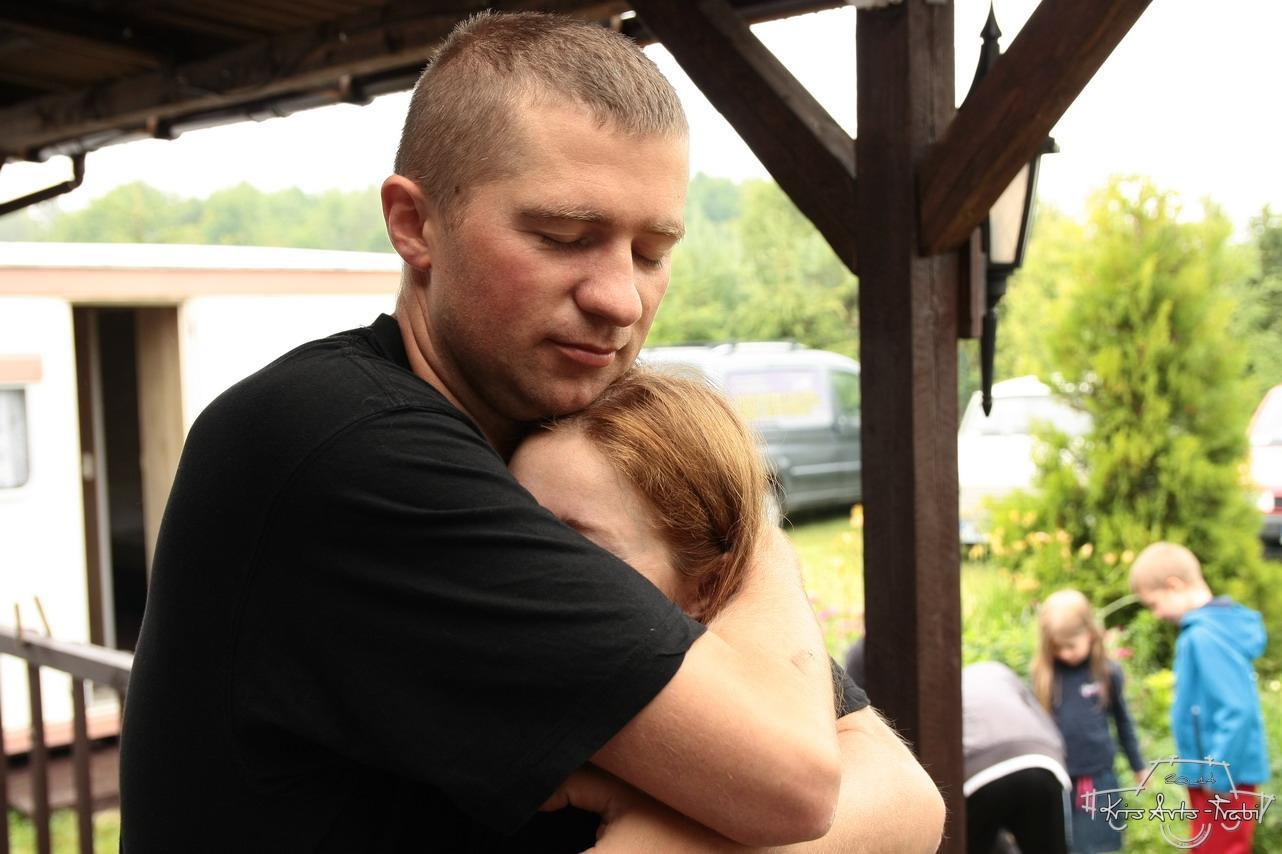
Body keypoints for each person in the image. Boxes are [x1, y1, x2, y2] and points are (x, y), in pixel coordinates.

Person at [117, 11, 902, 851]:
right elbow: (796, 782)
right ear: (414, 224)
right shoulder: (345, 444)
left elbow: (901, 794)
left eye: (651, 252)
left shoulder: (566, 443)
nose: (621, 300)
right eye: (564, 237)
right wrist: (749, 524)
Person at [509, 367, 944, 851]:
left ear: (706, 589)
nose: (523, 570)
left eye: (578, 548)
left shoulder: (725, 662)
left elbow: (909, 798)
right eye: (511, 531)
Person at [847, 641, 1068, 854]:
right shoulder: (995, 673)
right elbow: (1044, 720)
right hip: (1042, 761)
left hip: (980, 775)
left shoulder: (944, 698)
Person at [1130, 542, 1270, 854]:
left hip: (1224, 776)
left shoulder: (1205, 637)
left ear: (1174, 586)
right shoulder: (1207, 632)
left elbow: (1237, 710)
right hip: (1214, 774)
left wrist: (1217, 775)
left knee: (1220, 848)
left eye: (1154, 604)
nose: (1156, 614)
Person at [1032, 589, 1145, 854]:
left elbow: (1123, 722)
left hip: (1097, 777)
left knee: (1098, 844)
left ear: (1090, 634)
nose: (1065, 653)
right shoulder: (1044, 677)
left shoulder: (1106, 672)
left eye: (1071, 645)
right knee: (1060, 842)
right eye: (1057, 647)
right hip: (1059, 778)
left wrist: (1138, 765)